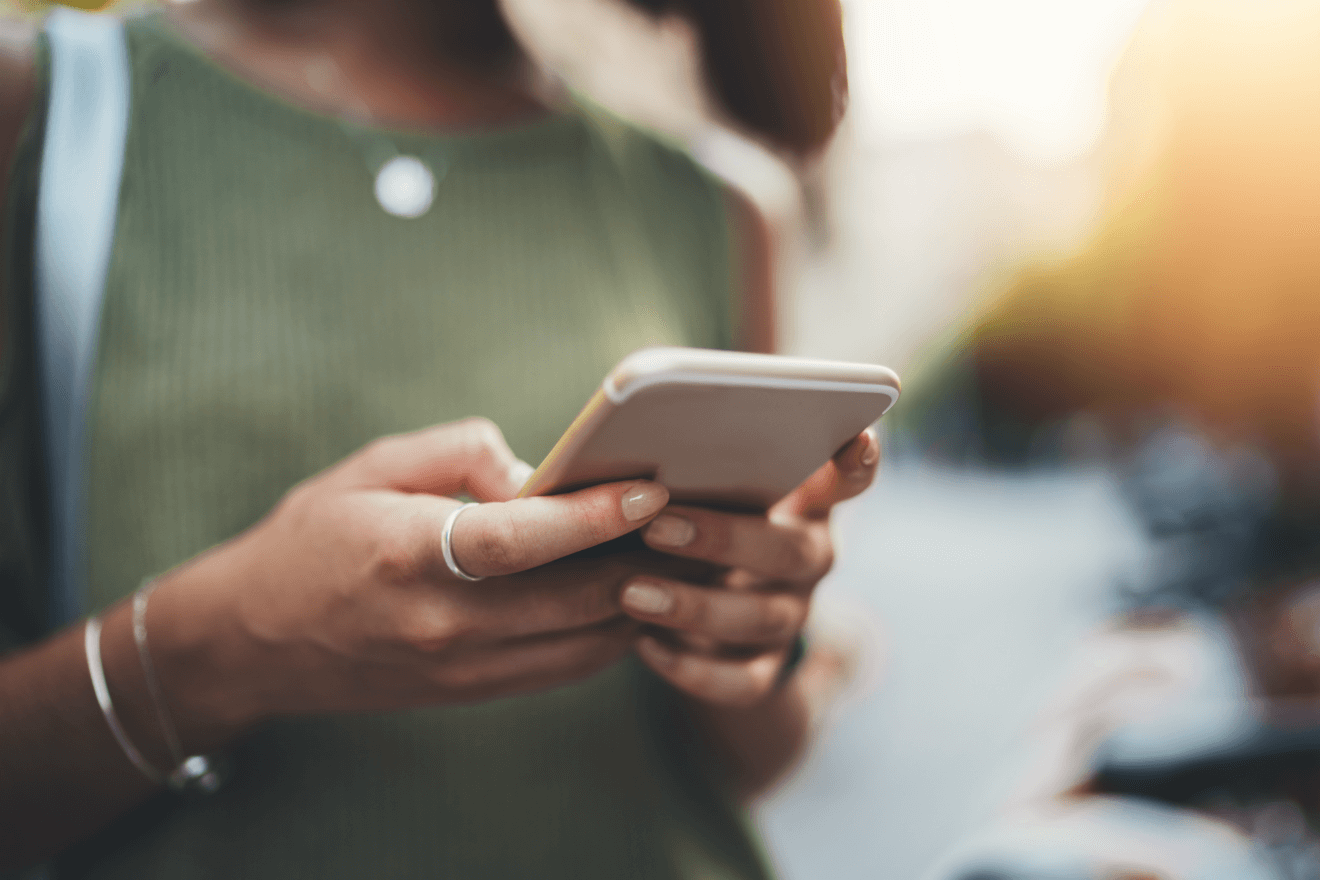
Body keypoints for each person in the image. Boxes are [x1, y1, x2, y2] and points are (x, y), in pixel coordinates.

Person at [0, 0, 876, 877]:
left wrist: (745, 626)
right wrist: (226, 649)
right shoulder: (42, 109)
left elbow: (756, 759)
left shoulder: (714, 207)